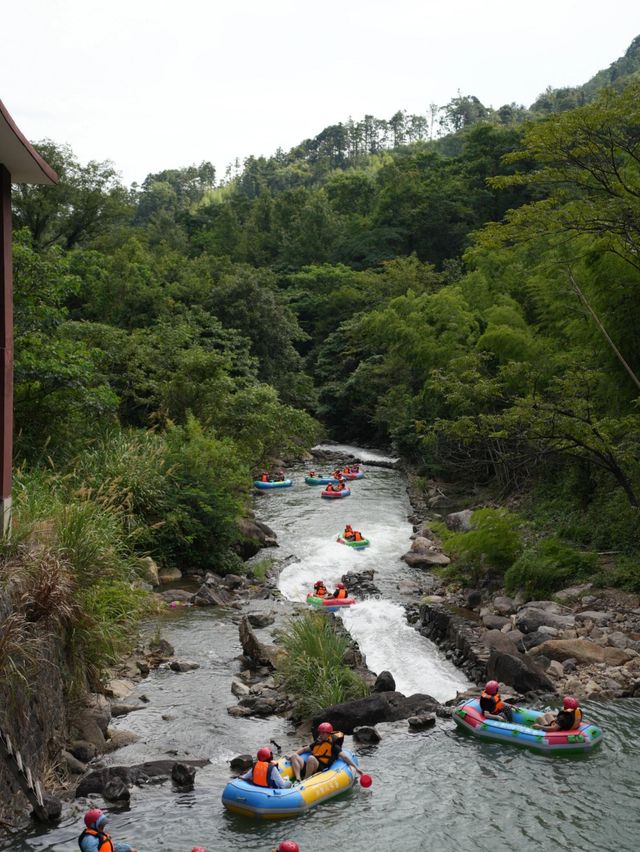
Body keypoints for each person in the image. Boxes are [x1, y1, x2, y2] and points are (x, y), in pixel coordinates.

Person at [289, 722, 363, 782]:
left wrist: (356, 768)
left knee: (311, 758)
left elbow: (345, 757)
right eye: (320, 732)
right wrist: (293, 754)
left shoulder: (334, 746)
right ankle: (298, 779)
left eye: (323, 733)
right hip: (310, 764)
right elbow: (304, 749)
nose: (321, 734)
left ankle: (305, 780)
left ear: (328, 734)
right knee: (294, 756)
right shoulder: (317, 742)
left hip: (321, 766)